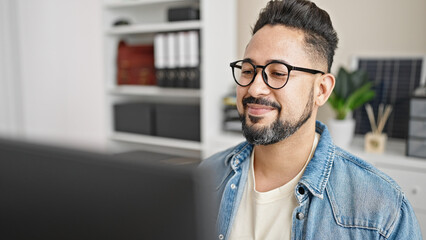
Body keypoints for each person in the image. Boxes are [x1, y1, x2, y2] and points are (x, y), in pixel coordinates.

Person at [200, 0, 422, 239]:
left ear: (322, 90)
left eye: (277, 73)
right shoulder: (206, 176)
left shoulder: (382, 210)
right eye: (247, 71)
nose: (254, 89)